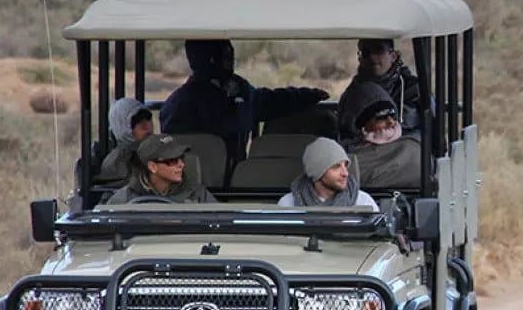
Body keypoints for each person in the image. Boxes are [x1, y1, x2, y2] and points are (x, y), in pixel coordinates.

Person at [161, 39, 329, 159]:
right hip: (203, 179)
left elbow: (268, 101)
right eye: (224, 55)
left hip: (235, 175)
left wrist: (307, 95)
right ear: (208, 59)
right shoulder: (181, 104)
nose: (230, 59)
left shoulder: (237, 88)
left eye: (229, 53)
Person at [339, 81, 420, 188]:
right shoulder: (342, 153)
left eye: (392, 115)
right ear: (363, 124)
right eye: (381, 117)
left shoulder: (412, 147)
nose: (391, 122)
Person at [338, 38, 421, 141]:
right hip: (364, 147)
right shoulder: (353, 92)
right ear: (360, 59)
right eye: (366, 53)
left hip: (405, 144)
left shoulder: (414, 87)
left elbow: (432, 127)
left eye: (378, 50)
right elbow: (345, 130)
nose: (372, 57)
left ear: (393, 56)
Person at [103, 134, 219, 204]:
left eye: (181, 158)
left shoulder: (198, 195)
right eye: (172, 160)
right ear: (152, 167)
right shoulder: (124, 199)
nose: (181, 165)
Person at [277, 137, 377, 209]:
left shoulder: (364, 203)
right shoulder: (288, 204)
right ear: (317, 172)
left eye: (345, 165)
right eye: (336, 166)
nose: (345, 173)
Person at [98, 97, 153, 183]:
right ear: (122, 126)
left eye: (148, 118)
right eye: (136, 122)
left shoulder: (157, 149)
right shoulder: (118, 162)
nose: (146, 126)